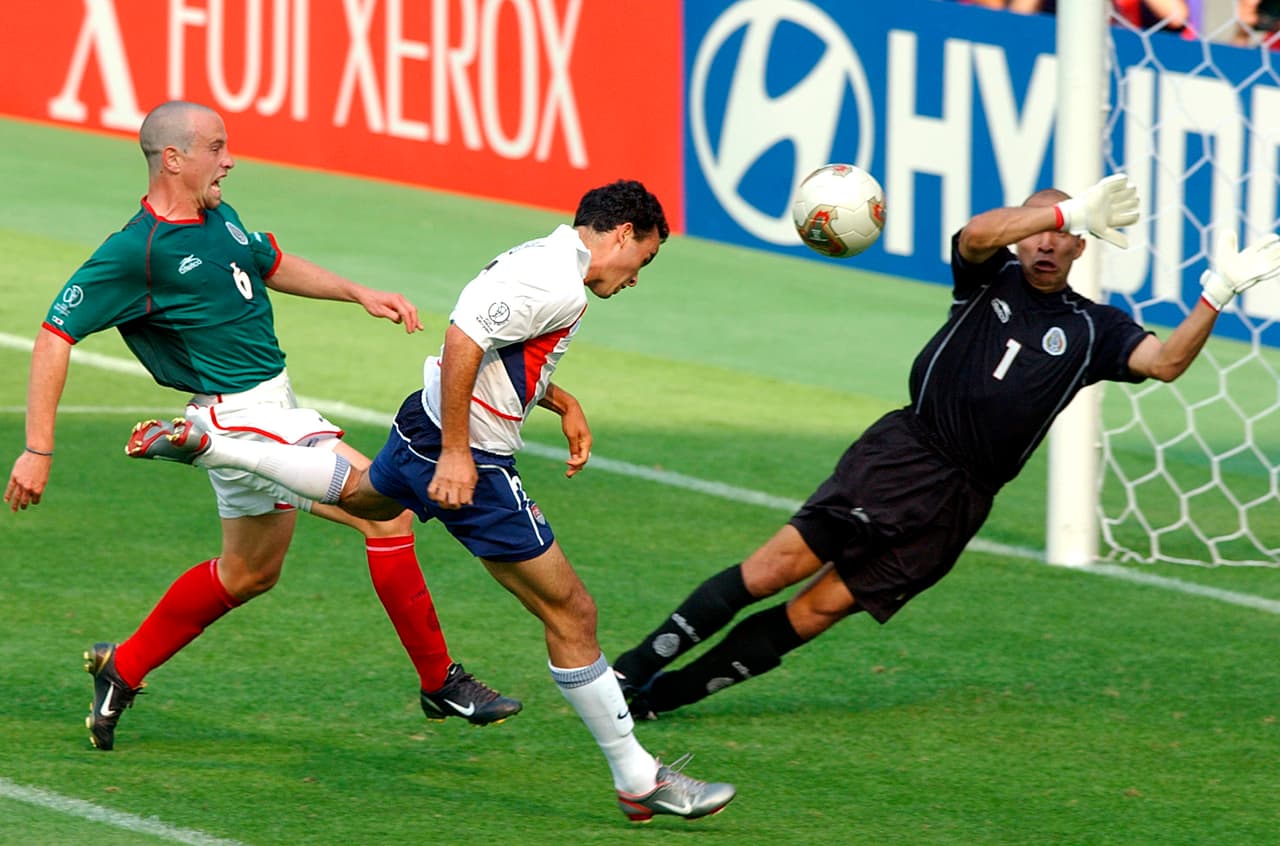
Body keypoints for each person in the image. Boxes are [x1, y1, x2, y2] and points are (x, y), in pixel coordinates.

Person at [125, 179, 737, 822]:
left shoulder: (549, 262)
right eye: (645, 257)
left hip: (424, 424)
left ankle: (214, 445)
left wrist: (562, 401)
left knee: (365, 499)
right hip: (471, 454)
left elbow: (502, 350)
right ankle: (640, 779)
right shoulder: (552, 278)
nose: (638, 275)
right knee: (572, 612)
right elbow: (464, 339)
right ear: (622, 234)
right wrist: (456, 452)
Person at [604, 174, 1280, 719]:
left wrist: (1215, 295)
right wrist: (1058, 208)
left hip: (961, 501)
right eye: (1038, 229)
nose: (1047, 244)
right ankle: (633, 668)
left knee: (823, 607)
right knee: (777, 566)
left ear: (1082, 247)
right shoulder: (987, 276)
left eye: (1064, 234)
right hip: (905, 453)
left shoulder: (1094, 327)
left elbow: (1164, 363)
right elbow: (976, 232)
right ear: (1023, 236)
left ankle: (667, 699)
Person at [2, 100, 519, 752]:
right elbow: (55, 334)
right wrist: (37, 449)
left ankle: (121, 670)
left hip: (269, 409)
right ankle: (440, 681)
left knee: (250, 572)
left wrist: (358, 292)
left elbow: (268, 263)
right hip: (243, 416)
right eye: (217, 147)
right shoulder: (138, 251)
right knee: (385, 511)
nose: (230, 159)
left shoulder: (217, 216)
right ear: (173, 159)